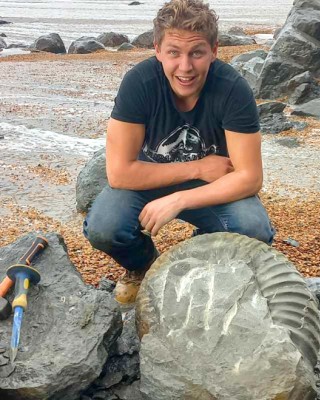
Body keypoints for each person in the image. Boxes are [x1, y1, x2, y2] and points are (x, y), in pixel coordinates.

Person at [83, 0, 274, 304]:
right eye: (174, 52)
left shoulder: (233, 89)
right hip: (149, 179)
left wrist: (181, 198)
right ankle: (143, 264)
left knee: (253, 230)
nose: (185, 67)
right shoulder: (139, 84)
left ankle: (202, 250)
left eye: (196, 53)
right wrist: (197, 168)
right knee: (105, 227)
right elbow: (119, 173)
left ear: (214, 49)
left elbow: (250, 177)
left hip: (214, 186)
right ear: (157, 49)